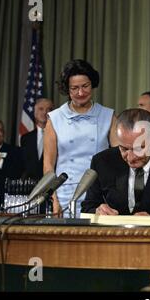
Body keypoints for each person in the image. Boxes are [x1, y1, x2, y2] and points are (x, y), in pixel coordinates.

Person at [43, 59, 118, 217]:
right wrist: (54, 199)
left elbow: (120, 158)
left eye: (85, 86)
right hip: (64, 194)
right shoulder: (55, 118)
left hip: (100, 196)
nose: (80, 93)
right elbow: (48, 165)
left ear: (92, 84)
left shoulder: (108, 116)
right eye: (74, 88)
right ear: (67, 89)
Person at [20, 98, 54, 180]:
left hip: (52, 185)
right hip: (30, 187)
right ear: (35, 113)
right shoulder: (26, 138)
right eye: (41, 109)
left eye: (48, 109)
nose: (45, 112)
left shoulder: (59, 136)